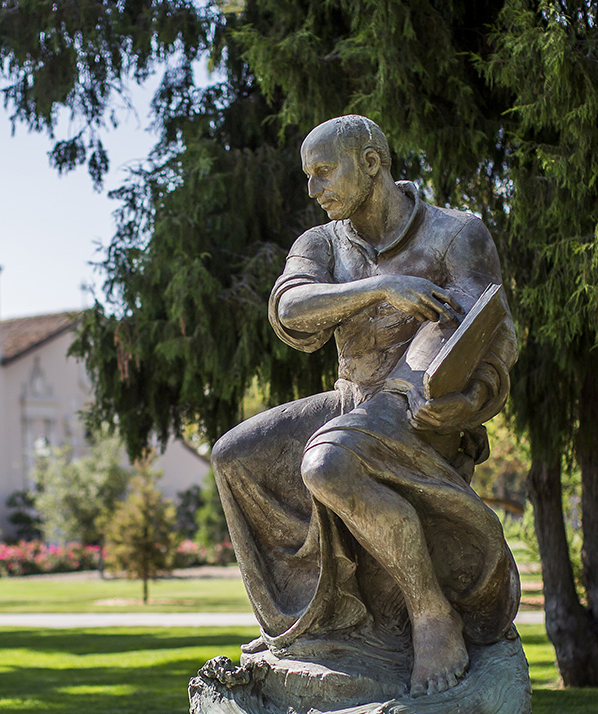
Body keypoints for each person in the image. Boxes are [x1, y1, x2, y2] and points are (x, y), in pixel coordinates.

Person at [211, 115, 520, 697]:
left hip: (418, 410)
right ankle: (306, 623)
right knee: (235, 457)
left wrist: (470, 404)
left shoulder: (457, 234)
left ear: (371, 163)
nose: (314, 188)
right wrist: (379, 288)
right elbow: (289, 309)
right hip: (353, 402)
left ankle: (432, 614)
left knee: (327, 462)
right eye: (309, 176)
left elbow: (492, 338)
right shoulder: (322, 243)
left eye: (323, 172)